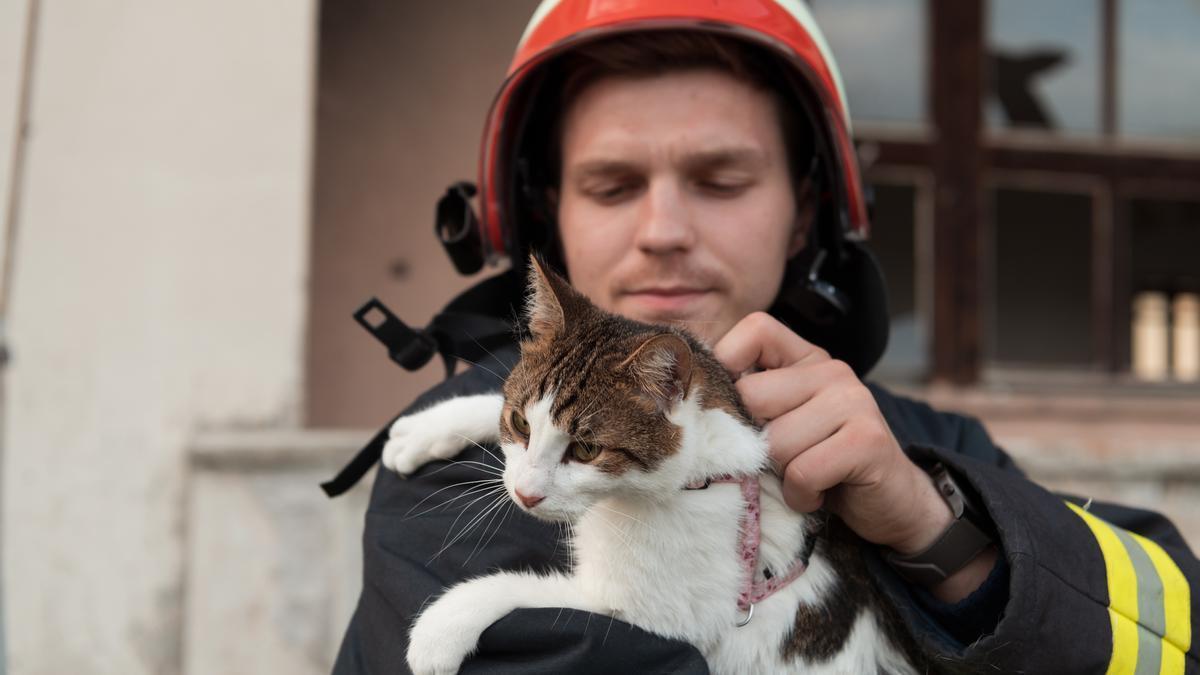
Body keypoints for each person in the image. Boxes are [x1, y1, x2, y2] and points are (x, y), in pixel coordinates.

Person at [329, 1, 1199, 673]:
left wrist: (946, 541)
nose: (663, 229)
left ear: (802, 217)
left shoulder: (929, 450)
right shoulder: (456, 455)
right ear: (542, 218)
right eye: (612, 185)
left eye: (720, 179)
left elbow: (1174, 632)